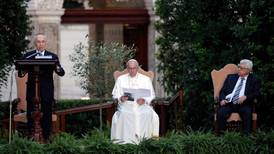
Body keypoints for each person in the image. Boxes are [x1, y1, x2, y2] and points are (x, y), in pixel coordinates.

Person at [22, 34, 65, 141]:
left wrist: (57, 68)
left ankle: (46, 137)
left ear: (45, 43)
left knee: (46, 113)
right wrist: (21, 70)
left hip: (46, 89)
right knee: (31, 112)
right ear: (35, 43)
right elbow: (21, 72)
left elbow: (61, 72)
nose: (40, 44)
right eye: (38, 42)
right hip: (33, 89)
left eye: (42, 42)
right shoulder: (28, 56)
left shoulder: (52, 56)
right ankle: (31, 137)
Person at [111, 59, 159, 144]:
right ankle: (125, 142)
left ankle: (145, 141)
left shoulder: (145, 79)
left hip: (142, 105)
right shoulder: (121, 79)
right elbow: (115, 94)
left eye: (134, 68)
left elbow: (152, 95)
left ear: (137, 68)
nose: (132, 70)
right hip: (126, 105)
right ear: (127, 68)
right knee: (124, 114)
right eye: (130, 68)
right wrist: (120, 98)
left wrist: (144, 100)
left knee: (147, 113)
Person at [217, 59, 260, 134]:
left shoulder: (254, 79)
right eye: (239, 67)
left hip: (243, 104)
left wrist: (246, 97)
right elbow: (223, 91)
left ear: (248, 70)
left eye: (241, 68)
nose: (238, 69)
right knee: (221, 113)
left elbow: (256, 93)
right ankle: (221, 136)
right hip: (229, 103)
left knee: (247, 113)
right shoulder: (230, 77)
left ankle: (246, 138)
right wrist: (222, 99)